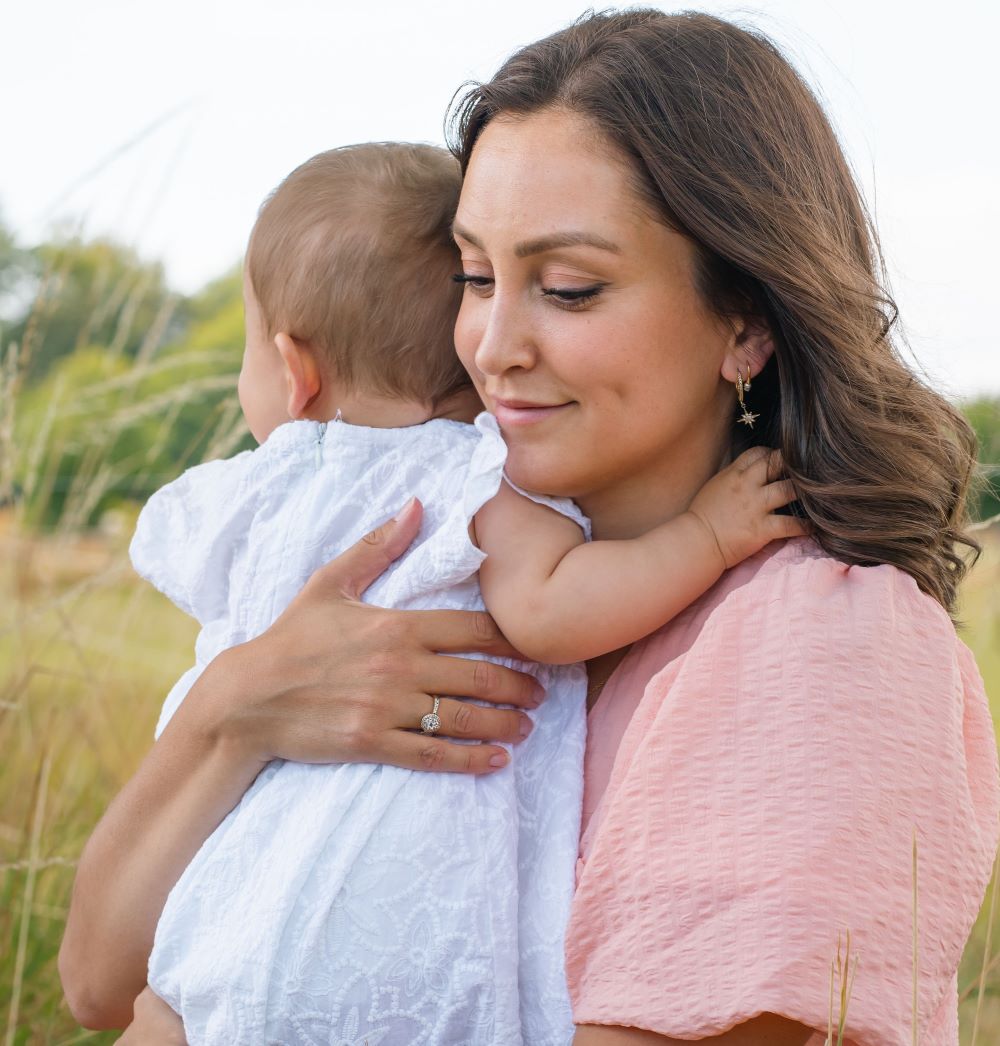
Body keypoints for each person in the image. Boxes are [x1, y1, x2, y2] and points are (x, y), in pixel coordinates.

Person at [60, 10, 1000, 1045]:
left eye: (567, 288)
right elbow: (102, 987)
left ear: (746, 320)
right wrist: (233, 708)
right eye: (472, 276)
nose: (491, 345)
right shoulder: (414, 587)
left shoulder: (820, 639)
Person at [98, 138, 799, 1045]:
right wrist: (706, 537)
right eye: (477, 279)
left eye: (571, 288)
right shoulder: (472, 484)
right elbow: (551, 613)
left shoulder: (235, 495)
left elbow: (194, 599)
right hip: (399, 931)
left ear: (293, 369)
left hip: (224, 924)